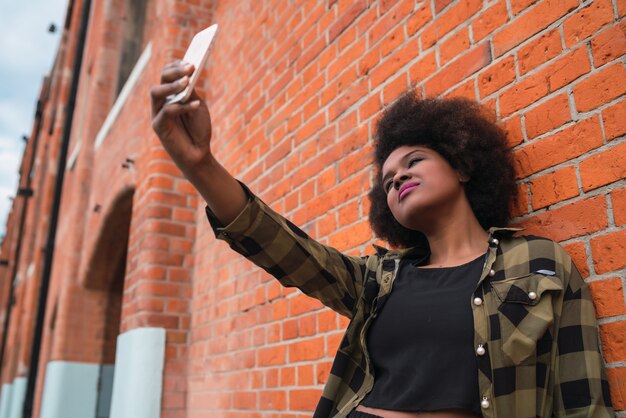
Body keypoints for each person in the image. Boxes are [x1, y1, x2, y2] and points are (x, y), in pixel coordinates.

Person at [150, 61, 614, 418]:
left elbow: (583, 402)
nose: (397, 177)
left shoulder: (540, 265)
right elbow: (286, 250)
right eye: (387, 179)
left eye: (414, 160)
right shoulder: (379, 280)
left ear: (462, 165)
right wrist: (199, 165)